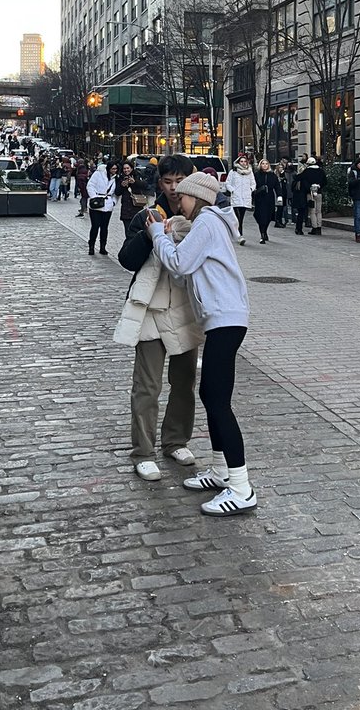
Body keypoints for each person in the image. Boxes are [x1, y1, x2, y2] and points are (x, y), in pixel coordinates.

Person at [147, 171, 256, 517]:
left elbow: (178, 263)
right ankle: (222, 469)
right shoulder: (208, 223)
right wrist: (173, 235)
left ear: (199, 198)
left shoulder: (208, 222)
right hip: (222, 318)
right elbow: (184, 269)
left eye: (183, 196)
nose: (179, 200)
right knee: (211, 396)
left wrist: (156, 235)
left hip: (225, 318)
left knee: (218, 400)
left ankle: (241, 487)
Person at [118, 154, 198, 479]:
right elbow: (126, 258)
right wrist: (149, 234)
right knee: (147, 384)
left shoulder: (201, 215)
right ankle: (143, 450)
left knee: (184, 381)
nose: (175, 188)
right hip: (151, 307)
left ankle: (176, 440)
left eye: (180, 181)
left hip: (186, 306)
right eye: (168, 182)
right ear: (160, 183)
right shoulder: (148, 214)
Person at [87, 159, 117, 255]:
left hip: (108, 205)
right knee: (95, 226)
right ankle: (91, 246)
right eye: (113, 169)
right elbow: (90, 185)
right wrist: (94, 197)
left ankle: (102, 247)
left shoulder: (116, 178)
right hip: (96, 204)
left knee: (104, 227)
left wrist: (113, 202)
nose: (114, 170)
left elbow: (116, 193)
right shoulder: (98, 174)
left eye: (116, 169)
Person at [225, 155, 255, 244]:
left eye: (244, 161)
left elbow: (253, 183)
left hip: (245, 198)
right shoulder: (233, 172)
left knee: (241, 218)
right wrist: (232, 190)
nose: (243, 163)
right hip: (236, 197)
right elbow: (228, 183)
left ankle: (237, 233)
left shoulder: (250, 172)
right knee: (237, 217)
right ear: (238, 162)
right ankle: (239, 235)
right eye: (241, 161)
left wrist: (250, 189)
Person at [251, 158, 280, 244]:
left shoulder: (273, 175)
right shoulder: (256, 175)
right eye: (263, 163)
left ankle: (265, 230)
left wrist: (279, 195)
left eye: (266, 164)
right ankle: (262, 234)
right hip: (260, 198)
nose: (264, 165)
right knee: (260, 216)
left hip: (269, 198)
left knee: (268, 216)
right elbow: (253, 185)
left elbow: (277, 186)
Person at [118, 159, 147, 228]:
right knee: (128, 232)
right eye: (124, 168)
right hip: (126, 209)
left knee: (137, 230)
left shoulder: (137, 175)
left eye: (128, 168)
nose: (126, 170)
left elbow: (144, 186)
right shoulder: (121, 178)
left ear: (131, 168)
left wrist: (134, 182)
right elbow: (117, 192)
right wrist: (122, 186)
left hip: (137, 207)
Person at [302, 157, 327, 235]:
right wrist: (319, 186)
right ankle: (319, 227)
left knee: (312, 211)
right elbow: (325, 181)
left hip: (310, 193)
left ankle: (314, 227)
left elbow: (304, 182)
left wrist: (310, 187)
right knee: (319, 211)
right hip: (319, 192)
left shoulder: (306, 171)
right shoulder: (321, 171)